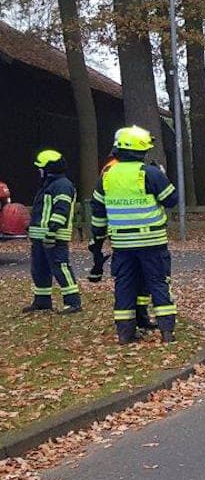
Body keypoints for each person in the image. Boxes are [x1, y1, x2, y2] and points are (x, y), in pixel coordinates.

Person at [90, 125, 178, 344]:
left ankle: (125, 334)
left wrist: (98, 240)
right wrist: (163, 176)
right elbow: (171, 200)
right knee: (158, 283)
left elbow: (98, 212)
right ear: (141, 150)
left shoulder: (107, 176)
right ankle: (167, 332)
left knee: (124, 285)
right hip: (152, 241)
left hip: (122, 243)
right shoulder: (150, 173)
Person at [22, 149, 82, 314]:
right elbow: (44, 211)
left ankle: (73, 302)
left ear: (48, 169)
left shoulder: (62, 185)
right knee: (39, 269)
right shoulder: (49, 185)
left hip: (54, 237)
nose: (39, 171)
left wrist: (52, 231)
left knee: (60, 268)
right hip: (41, 237)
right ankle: (42, 301)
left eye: (41, 168)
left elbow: (61, 210)